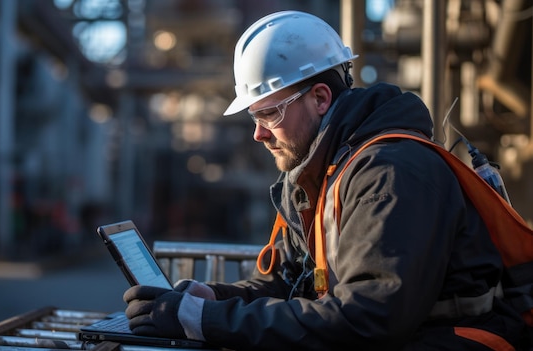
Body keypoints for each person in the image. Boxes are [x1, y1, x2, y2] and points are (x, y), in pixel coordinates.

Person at [123, 10, 527, 350]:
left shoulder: (391, 173)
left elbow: (369, 318)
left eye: (269, 115)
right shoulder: (318, 174)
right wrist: (213, 298)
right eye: (255, 118)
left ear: (320, 98)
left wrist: (205, 320)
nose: (258, 134)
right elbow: (290, 282)